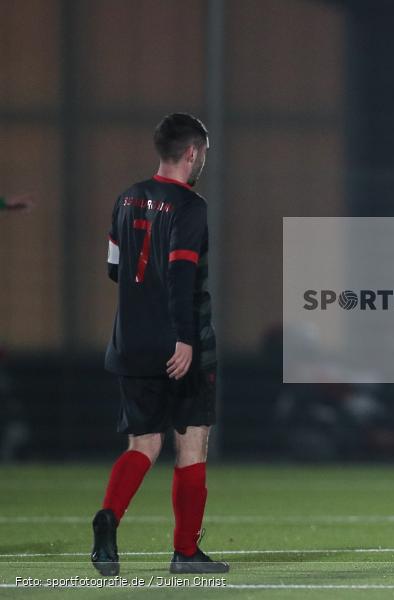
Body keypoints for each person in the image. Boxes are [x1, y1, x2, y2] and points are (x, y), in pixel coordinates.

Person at [91, 113, 228, 576]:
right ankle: (185, 552)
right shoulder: (191, 206)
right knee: (191, 444)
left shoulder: (126, 197)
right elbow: (181, 273)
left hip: (130, 342)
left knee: (142, 444)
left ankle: (108, 518)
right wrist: (185, 338)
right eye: (203, 152)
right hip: (178, 343)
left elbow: (114, 267)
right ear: (192, 152)